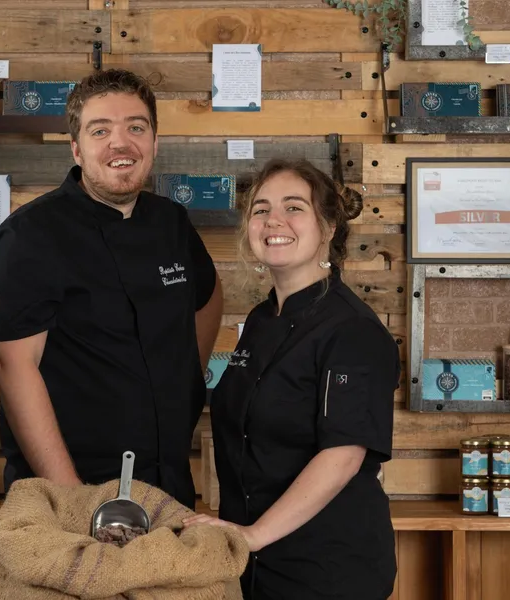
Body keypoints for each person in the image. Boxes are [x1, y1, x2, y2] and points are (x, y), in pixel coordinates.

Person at [0, 68, 223, 510]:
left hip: (168, 486)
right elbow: (11, 366)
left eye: (136, 127)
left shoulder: (171, 223)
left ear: (154, 142)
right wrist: (73, 498)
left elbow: (208, 296)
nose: (121, 143)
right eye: (101, 130)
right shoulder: (30, 236)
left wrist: (184, 382)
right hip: (68, 497)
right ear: (76, 148)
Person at [184, 158, 398, 599]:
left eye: (294, 207)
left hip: (327, 570)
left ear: (330, 226)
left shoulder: (351, 330)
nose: (273, 220)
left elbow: (342, 456)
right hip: (257, 567)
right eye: (260, 209)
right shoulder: (264, 320)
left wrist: (253, 536)